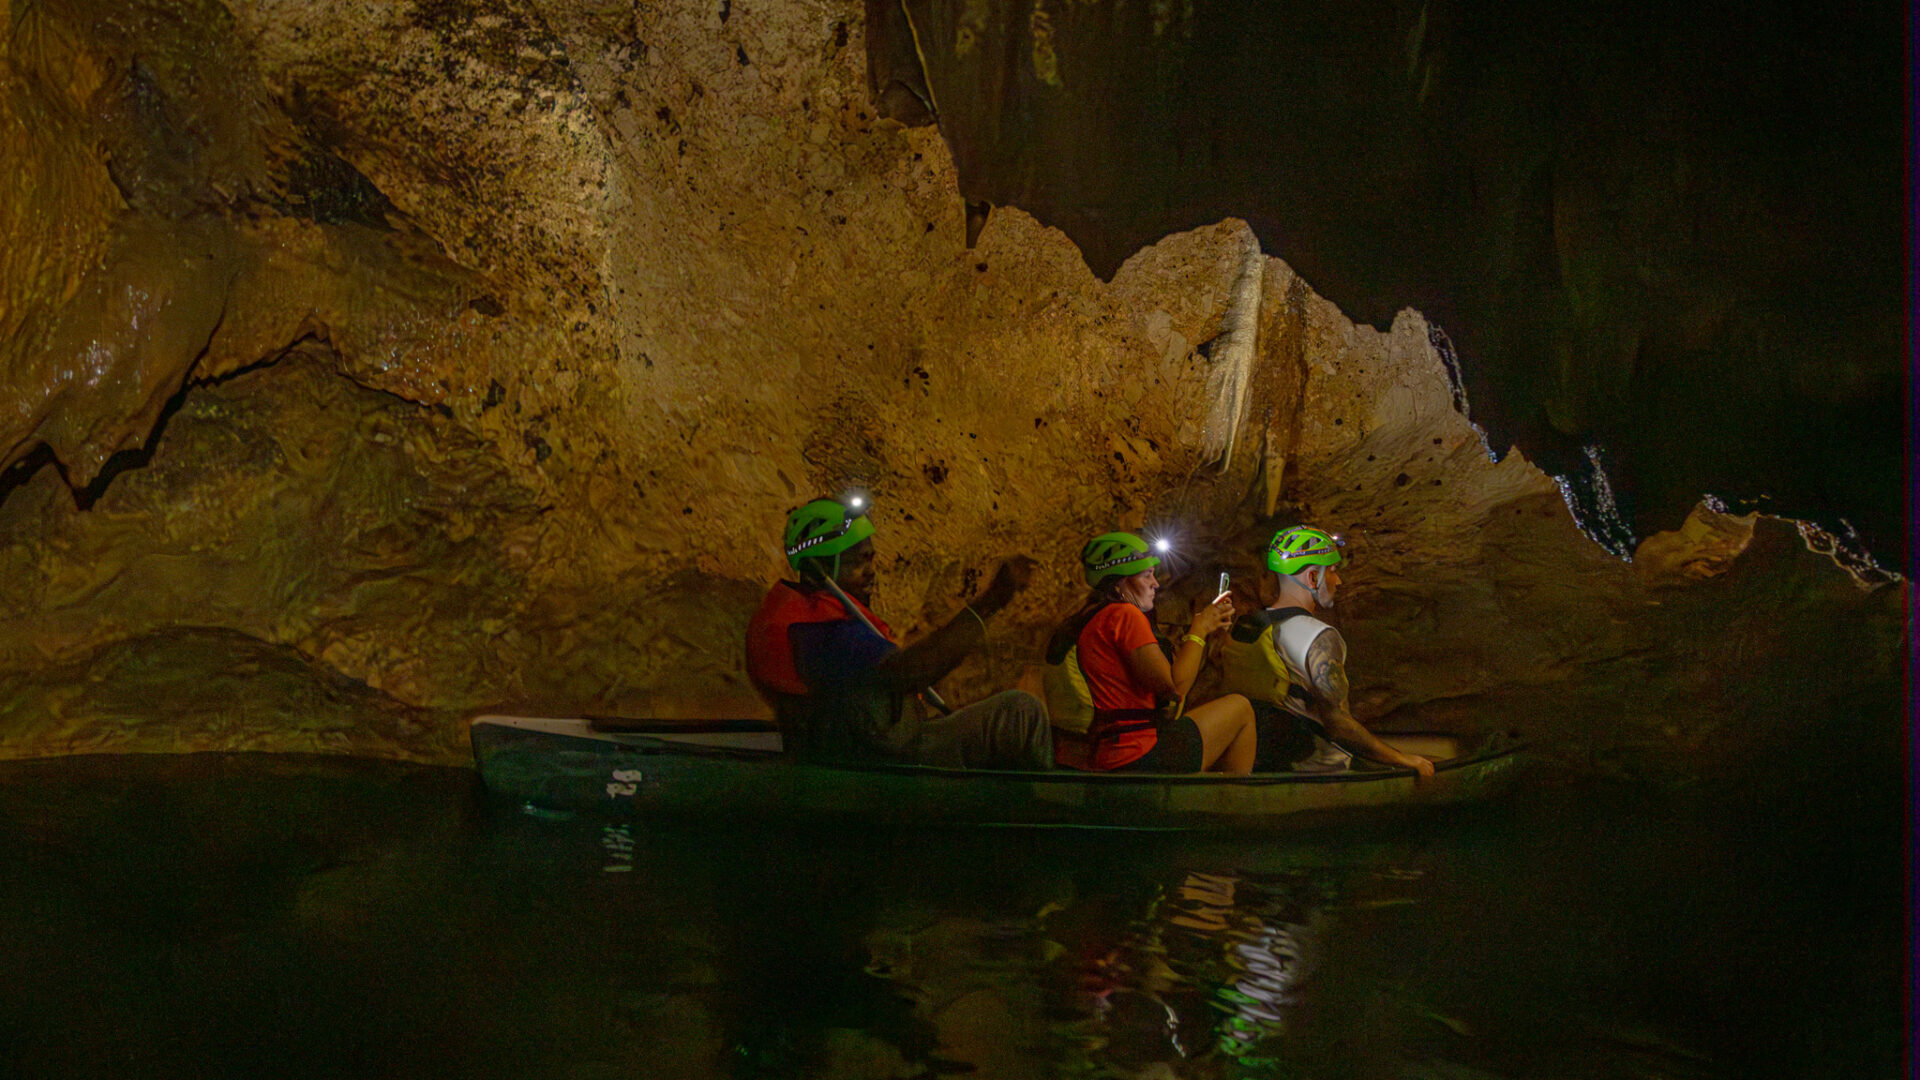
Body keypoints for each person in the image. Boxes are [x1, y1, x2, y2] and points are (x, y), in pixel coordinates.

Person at [744, 495, 1052, 770]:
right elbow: (909, 672)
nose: (871, 571)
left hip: (878, 752)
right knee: (1021, 712)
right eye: (860, 561)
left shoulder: (805, 620)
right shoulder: (819, 631)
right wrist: (990, 602)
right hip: (882, 764)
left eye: (871, 559)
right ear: (817, 568)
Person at [1216, 526, 1435, 778]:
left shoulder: (1244, 627)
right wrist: (1402, 758)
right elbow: (1339, 725)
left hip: (1259, 762)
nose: (1338, 580)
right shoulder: (1318, 636)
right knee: (1432, 764)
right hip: (1318, 768)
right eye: (1332, 571)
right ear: (1312, 578)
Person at [1041, 532, 1258, 773]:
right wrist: (1200, 628)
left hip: (1106, 753)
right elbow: (1176, 687)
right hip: (1138, 753)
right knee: (1241, 709)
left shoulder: (1089, 618)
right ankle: (1234, 805)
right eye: (1146, 575)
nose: (1155, 583)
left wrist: (1198, 633)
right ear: (1120, 581)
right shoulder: (1125, 615)